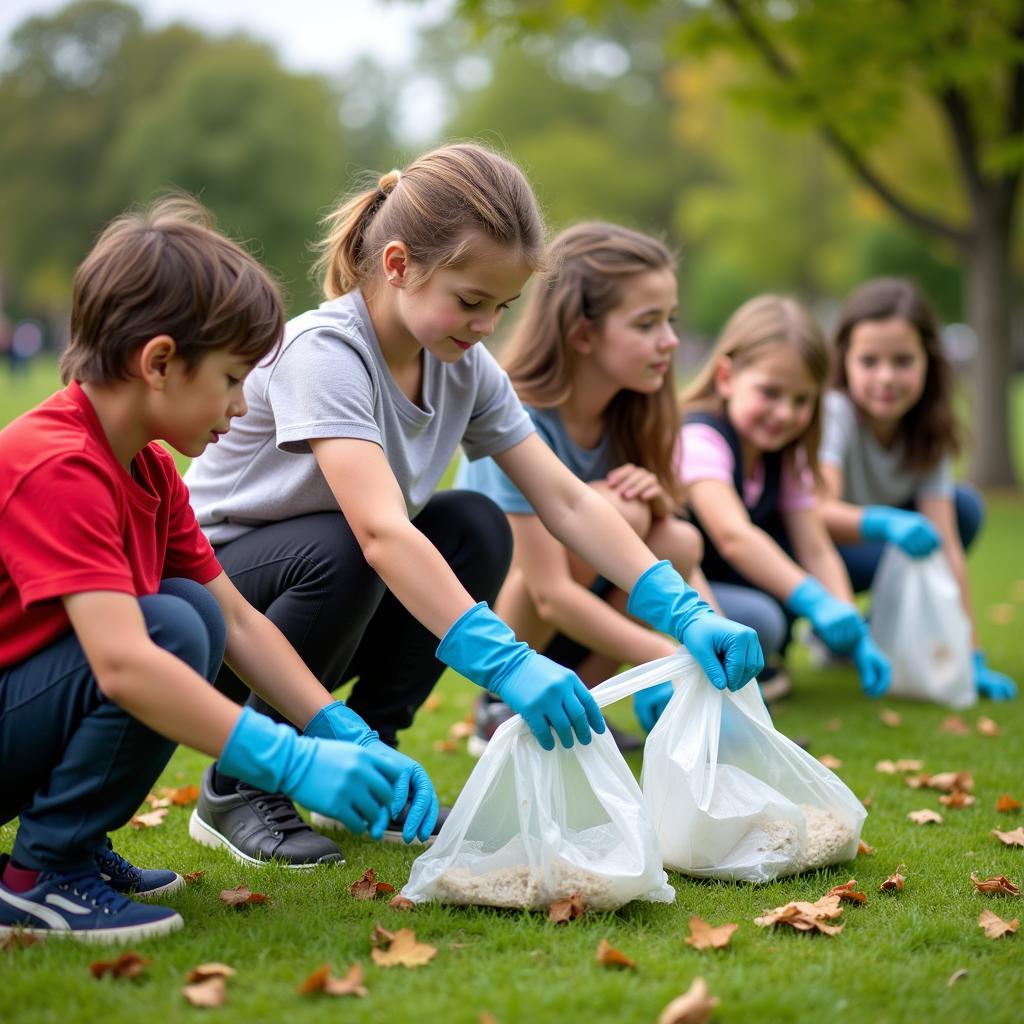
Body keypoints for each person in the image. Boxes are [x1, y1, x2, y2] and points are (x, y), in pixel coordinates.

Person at [184, 143, 765, 867]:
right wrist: (509, 665)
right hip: (216, 617)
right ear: (398, 266)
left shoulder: (463, 366)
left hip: (330, 597)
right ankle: (243, 785)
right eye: (470, 300)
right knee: (354, 543)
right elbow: (378, 531)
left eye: (503, 306)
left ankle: (376, 764)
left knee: (474, 526)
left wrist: (683, 612)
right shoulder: (325, 351)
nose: (488, 323)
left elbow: (565, 500)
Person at [0, 197, 436, 944]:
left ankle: (71, 845)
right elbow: (124, 665)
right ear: (161, 362)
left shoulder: (147, 469)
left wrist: (341, 729)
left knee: (193, 613)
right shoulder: (58, 466)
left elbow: (238, 620)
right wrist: (290, 762)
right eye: (233, 379)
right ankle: (42, 876)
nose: (241, 406)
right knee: (167, 629)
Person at [457, 222, 765, 750]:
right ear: (582, 334)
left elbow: (677, 561)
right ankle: (501, 707)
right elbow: (547, 593)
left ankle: (586, 699)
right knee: (625, 513)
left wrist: (719, 653)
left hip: (581, 626)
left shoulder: (632, 415)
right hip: (506, 634)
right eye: (647, 323)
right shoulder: (514, 416)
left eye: (670, 320)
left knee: (677, 539)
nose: (669, 341)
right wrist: (672, 660)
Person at [677, 294, 891, 698]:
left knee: (771, 606)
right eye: (770, 392)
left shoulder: (786, 455)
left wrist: (848, 623)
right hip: (687, 593)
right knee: (762, 620)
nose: (785, 413)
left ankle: (760, 669)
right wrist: (814, 600)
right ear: (726, 377)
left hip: (736, 588)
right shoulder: (701, 437)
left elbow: (816, 548)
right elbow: (733, 536)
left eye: (801, 400)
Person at [818, 277, 1016, 700]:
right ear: (845, 362)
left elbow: (947, 546)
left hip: (877, 553)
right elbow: (817, 512)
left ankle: (877, 627)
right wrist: (883, 522)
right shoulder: (834, 413)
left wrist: (970, 653)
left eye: (903, 361)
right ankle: (832, 629)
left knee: (962, 508)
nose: (886, 377)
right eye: (869, 361)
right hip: (822, 555)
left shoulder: (929, 429)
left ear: (928, 362)